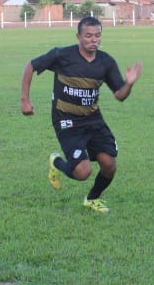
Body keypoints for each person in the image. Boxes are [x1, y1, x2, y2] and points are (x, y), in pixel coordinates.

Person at [20, 16, 143, 213]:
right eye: (88, 36)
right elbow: (31, 66)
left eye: (97, 35)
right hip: (66, 120)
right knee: (82, 172)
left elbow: (120, 95)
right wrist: (25, 100)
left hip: (93, 119)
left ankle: (92, 199)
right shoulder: (62, 55)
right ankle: (56, 162)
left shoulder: (106, 62)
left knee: (109, 164)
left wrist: (129, 83)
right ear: (78, 36)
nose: (93, 40)